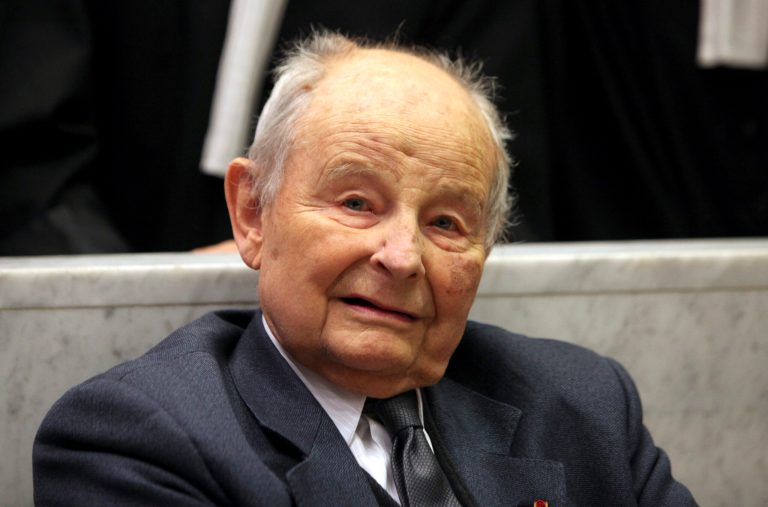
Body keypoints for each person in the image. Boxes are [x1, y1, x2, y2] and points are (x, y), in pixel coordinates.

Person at [33, 32, 697, 506]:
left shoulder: (582, 404)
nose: (401, 256)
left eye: (445, 223)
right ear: (252, 214)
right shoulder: (134, 440)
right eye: (356, 202)